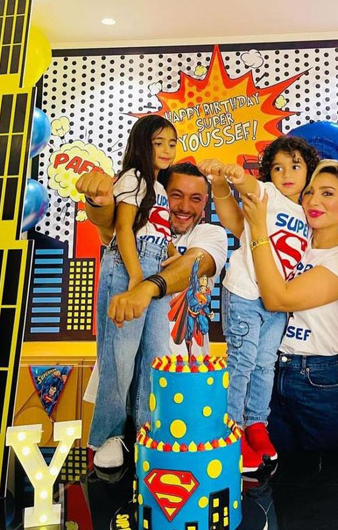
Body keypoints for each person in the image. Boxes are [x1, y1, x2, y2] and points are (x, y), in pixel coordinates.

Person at [198, 136, 320, 472]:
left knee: (265, 365)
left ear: (309, 171)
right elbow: (250, 186)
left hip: (276, 303)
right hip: (244, 293)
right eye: (278, 168)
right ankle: (229, 428)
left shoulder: (309, 213)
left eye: (295, 166)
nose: (286, 174)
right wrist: (236, 176)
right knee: (241, 362)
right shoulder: (269, 194)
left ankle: (255, 424)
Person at [242, 158, 338, 460]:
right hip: (271, 372)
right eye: (309, 192)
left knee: (333, 479)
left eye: (327, 193)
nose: (313, 201)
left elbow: (277, 299)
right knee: (279, 476)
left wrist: (258, 227)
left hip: (319, 381)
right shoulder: (296, 243)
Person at [78, 162, 227, 409]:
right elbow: (105, 225)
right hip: (121, 382)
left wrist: (146, 288)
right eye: (176, 195)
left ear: (204, 204)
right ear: (159, 195)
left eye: (195, 199)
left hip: (184, 382)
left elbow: (195, 264)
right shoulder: (134, 230)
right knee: (112, 433)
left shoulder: (210, 234)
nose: (185, 207)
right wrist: (97, 201)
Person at [87, 115, 177, 468]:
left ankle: (147, 430)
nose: (167, 149)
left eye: (172, 143)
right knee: (119, 358)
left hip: (153, 272)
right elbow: (124, 228)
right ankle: (107, 436)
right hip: (129, 266)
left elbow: (155, 230)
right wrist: (137, 275)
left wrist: (171, 254)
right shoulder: (134, 177)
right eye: (159, 143)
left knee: (155, 355)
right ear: (141, 144)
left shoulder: (158, 187)